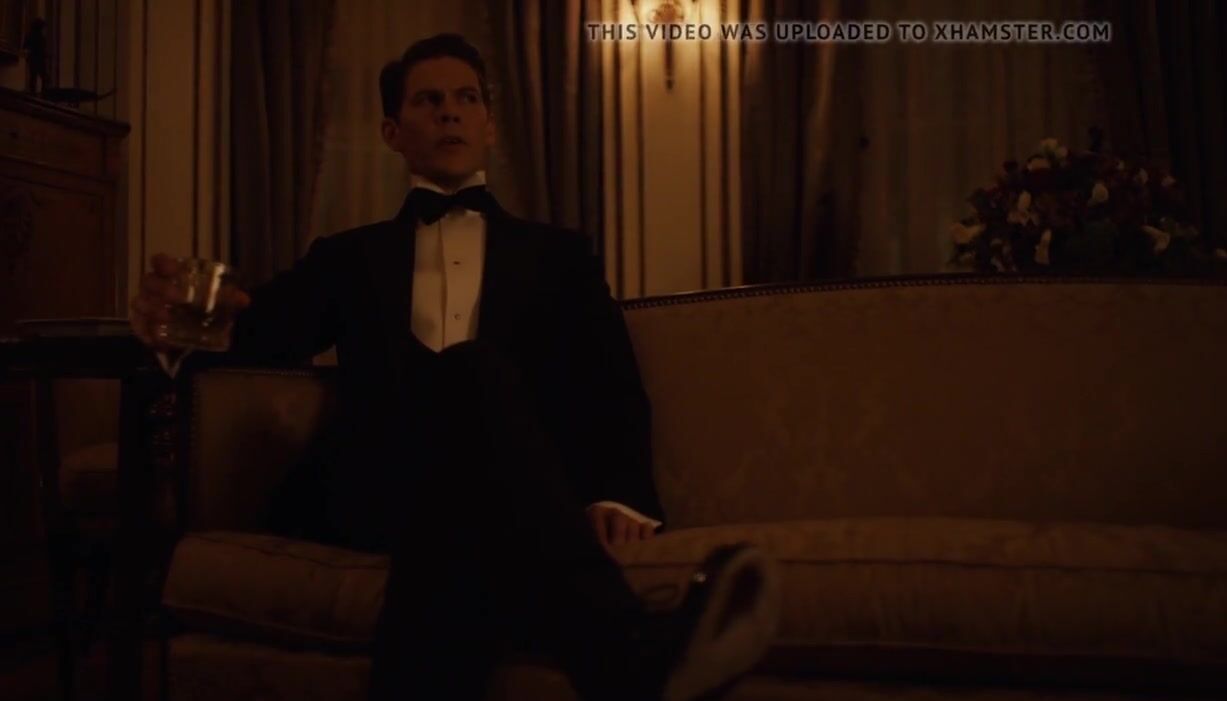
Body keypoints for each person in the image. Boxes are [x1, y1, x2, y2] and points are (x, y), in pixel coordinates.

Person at [129, 33, 778, 701]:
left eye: (466, 98)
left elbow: (609, 381)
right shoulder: (348, 256)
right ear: (392, 132)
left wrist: (619, 494)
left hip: (504, 488)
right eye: (428, 100)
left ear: (489, 125)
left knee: (466, 488)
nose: (449, 111)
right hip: (374, 484)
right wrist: (178, 322)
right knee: (468, 374)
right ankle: (629, 654)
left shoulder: (560, 256)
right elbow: (255, 333)